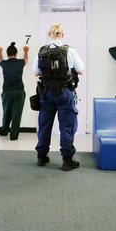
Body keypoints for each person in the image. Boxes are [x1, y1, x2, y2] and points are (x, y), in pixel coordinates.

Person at [33, 23, 85, 171]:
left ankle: (42, 157)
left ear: (50, 34)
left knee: (44, 125)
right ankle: (67, 160)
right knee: (67, 126)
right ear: (62, 34)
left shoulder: (42, 51)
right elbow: (81, 70)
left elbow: (35, 72)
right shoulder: (69, 50)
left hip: (46, 93)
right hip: (64, 92)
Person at [0, 42, 29, 140]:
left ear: (7, 54)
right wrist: (26, 51)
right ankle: (14, 135)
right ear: (16, 53)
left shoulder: (4, 64)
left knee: (6, 112)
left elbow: (0, 59)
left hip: (7, 91)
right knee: (17, 114)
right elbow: (26, 59)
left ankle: (4, 131)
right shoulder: (20, 62)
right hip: (19, 91)